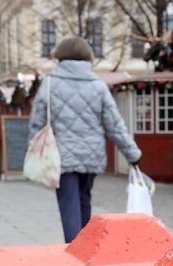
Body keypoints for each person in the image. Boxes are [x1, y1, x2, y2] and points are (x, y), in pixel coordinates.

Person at [28, 36, 141, 243]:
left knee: (68, 202)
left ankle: (74, 251)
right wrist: (132, 154)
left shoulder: (50, 83)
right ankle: (85, 249)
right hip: (92, 155)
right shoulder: (98, 86)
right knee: (84, 200)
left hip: (61, 156)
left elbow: (37, 121)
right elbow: (114, 125)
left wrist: (35, 149)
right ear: (87, 56)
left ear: (60, 56)